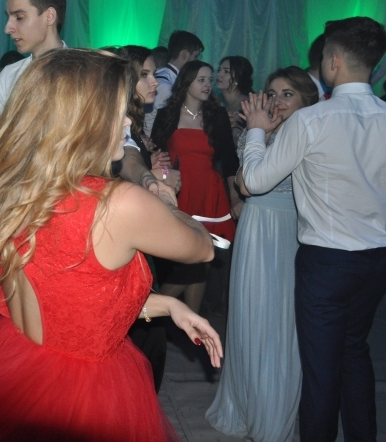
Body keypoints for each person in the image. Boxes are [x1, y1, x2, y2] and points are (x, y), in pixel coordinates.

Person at [0, 48, 222, 441]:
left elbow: (75, 303)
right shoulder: (118, 203)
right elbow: (203, 248)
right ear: (82, 120)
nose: (126, 121)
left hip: (15, 370)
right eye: (116, 111)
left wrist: (168, 305)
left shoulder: (15, 187)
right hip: (84, 392)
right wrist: (166, 198)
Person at [240, 16, 386, 442]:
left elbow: (254, 182)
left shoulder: (311, 121)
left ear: (333, 61)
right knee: (354, 351)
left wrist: (255, 133)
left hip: (326, 262)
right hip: (378, 262)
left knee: (321, 369)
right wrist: (381, 195)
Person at [206, 66, 319, 441]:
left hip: (287, 231)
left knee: (278, 322)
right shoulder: (259, 132)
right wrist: (258, 135)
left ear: (305, 99)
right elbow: (243, 184)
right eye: (272, 93)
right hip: (254, 229)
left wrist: (258, 136)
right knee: (248, 315)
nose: (278, 101)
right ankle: (245, 403)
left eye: (288, 94)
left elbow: (250, 183)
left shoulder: (307, 133)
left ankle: (272, 414)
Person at [0, 0, 174, 202]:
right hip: (20, 202)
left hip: (76, 201)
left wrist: (145, 177)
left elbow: (124, 142)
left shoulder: (91, 74)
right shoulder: (8, 78)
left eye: (19, 17)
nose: (8, 28)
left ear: (49, 16)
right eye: (9, 17)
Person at [151, 61, 241, 314]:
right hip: (179, 193)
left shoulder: (217, 115)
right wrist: (164, 177)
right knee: (186, 263)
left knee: (203, 260)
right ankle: (145, 310)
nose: (207, 85)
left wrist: (235, 198)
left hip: (209, 193)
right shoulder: (167, 115)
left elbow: (229, 160)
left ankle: (190, 324)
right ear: (186, 83)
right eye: (201, 80)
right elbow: (156, 157)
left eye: (210, 80)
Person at [118, 45, 178, 392]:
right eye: (144, 74)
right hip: (124, 241)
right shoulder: (117, 122)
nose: (154, 81)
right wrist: (154, 179)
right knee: (143, 344)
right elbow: (124, 165)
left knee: (147, 342)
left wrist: (156, 176)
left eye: (153, 73)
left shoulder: (135, 123)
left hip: (138, 238)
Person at [146, 30, 204, 136]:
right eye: (195, 56)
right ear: (185, 54)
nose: (196, 61)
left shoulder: (165, 75)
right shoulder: (166, 85)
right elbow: (152, 123)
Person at [215, 55, 254, 146]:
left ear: (238, 78)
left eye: (226, 71)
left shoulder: (249, 105)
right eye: (219, 70)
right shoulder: (216, 102)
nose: (219, 74)